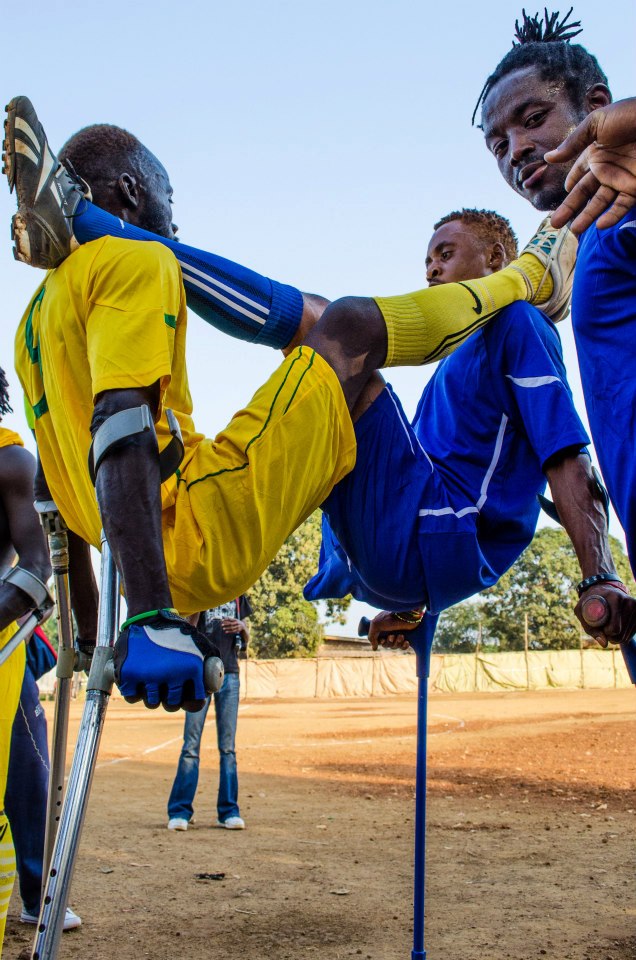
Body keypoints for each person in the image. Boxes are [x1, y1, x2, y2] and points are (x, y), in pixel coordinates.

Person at [4, 97, 633, 715]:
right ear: (132, 190)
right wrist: (144, 616)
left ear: (490, 254)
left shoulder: (34, 321)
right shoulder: (132, 266)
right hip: (214, 539)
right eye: (429, 258)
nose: (431, 271)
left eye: (445, 255)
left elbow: (51, 491)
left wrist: (90, 632)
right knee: (347, 328)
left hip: (384, 546)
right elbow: (114, 435)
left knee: (333, 330)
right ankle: (529, 276)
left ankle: (83, 217)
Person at [473, 8, 636, 645]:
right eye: (498, 145)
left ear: (596, 107)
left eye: (534, 118)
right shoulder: (594, 239)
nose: (516, 149)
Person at [0, 367, 52, 950]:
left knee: (26, 767)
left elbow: (36, 570)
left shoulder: (11, 461)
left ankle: (39, 893)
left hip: (2, 647)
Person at [167, 596, 252, 831]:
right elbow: (187, 627)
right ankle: (180, 811)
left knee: (228, 748)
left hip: (230, 672)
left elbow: (245, 637)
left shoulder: (238, 594)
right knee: (191, 745)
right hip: (200, 671)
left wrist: (243, 628)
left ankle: (228, 811)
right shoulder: (203, 587)